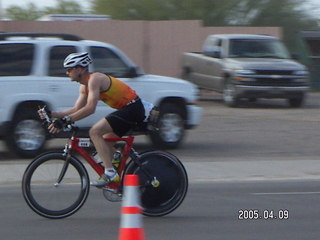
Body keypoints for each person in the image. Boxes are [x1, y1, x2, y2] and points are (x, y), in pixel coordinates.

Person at [39, 52, 145, 187]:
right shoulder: (83, 86)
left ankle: (110, 174)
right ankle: (118, 162)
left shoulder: (95, 79)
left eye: (69, 69)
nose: (67, 73)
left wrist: (66, 121)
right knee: (104, 143)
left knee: (95, 132)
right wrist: (53, 114)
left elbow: (90, 108)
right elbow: (76, 109)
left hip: (133, 108)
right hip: (126, 110)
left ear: (80, 69)